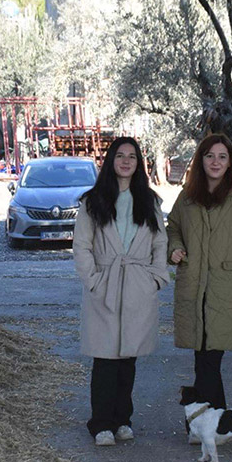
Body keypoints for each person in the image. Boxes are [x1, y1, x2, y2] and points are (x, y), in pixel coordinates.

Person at [74, 137, 169, 446]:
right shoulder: (93, 201)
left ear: (139, 163)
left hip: (138, 286)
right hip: (106, 284)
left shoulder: (150, 201)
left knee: (129, 358)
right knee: (105, 359)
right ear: (111, 160)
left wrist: (156, 279)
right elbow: (82, 246)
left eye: (132, 156)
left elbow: (160, 244)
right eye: (120, 155)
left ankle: (122, 419)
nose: (126, 161)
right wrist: (93, 281)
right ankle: (101, 424)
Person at [166, 133, 232, 411]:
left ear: (230, 163)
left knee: (209, 360)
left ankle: (215, 422)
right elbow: (172, 228)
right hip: (193, 287)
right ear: (200, 160)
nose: (215, 162)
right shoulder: (187, 197)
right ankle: (207, 423)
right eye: (210, 155)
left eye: (222, 157)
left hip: (226, 289)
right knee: (202, 359)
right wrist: (174, 248)